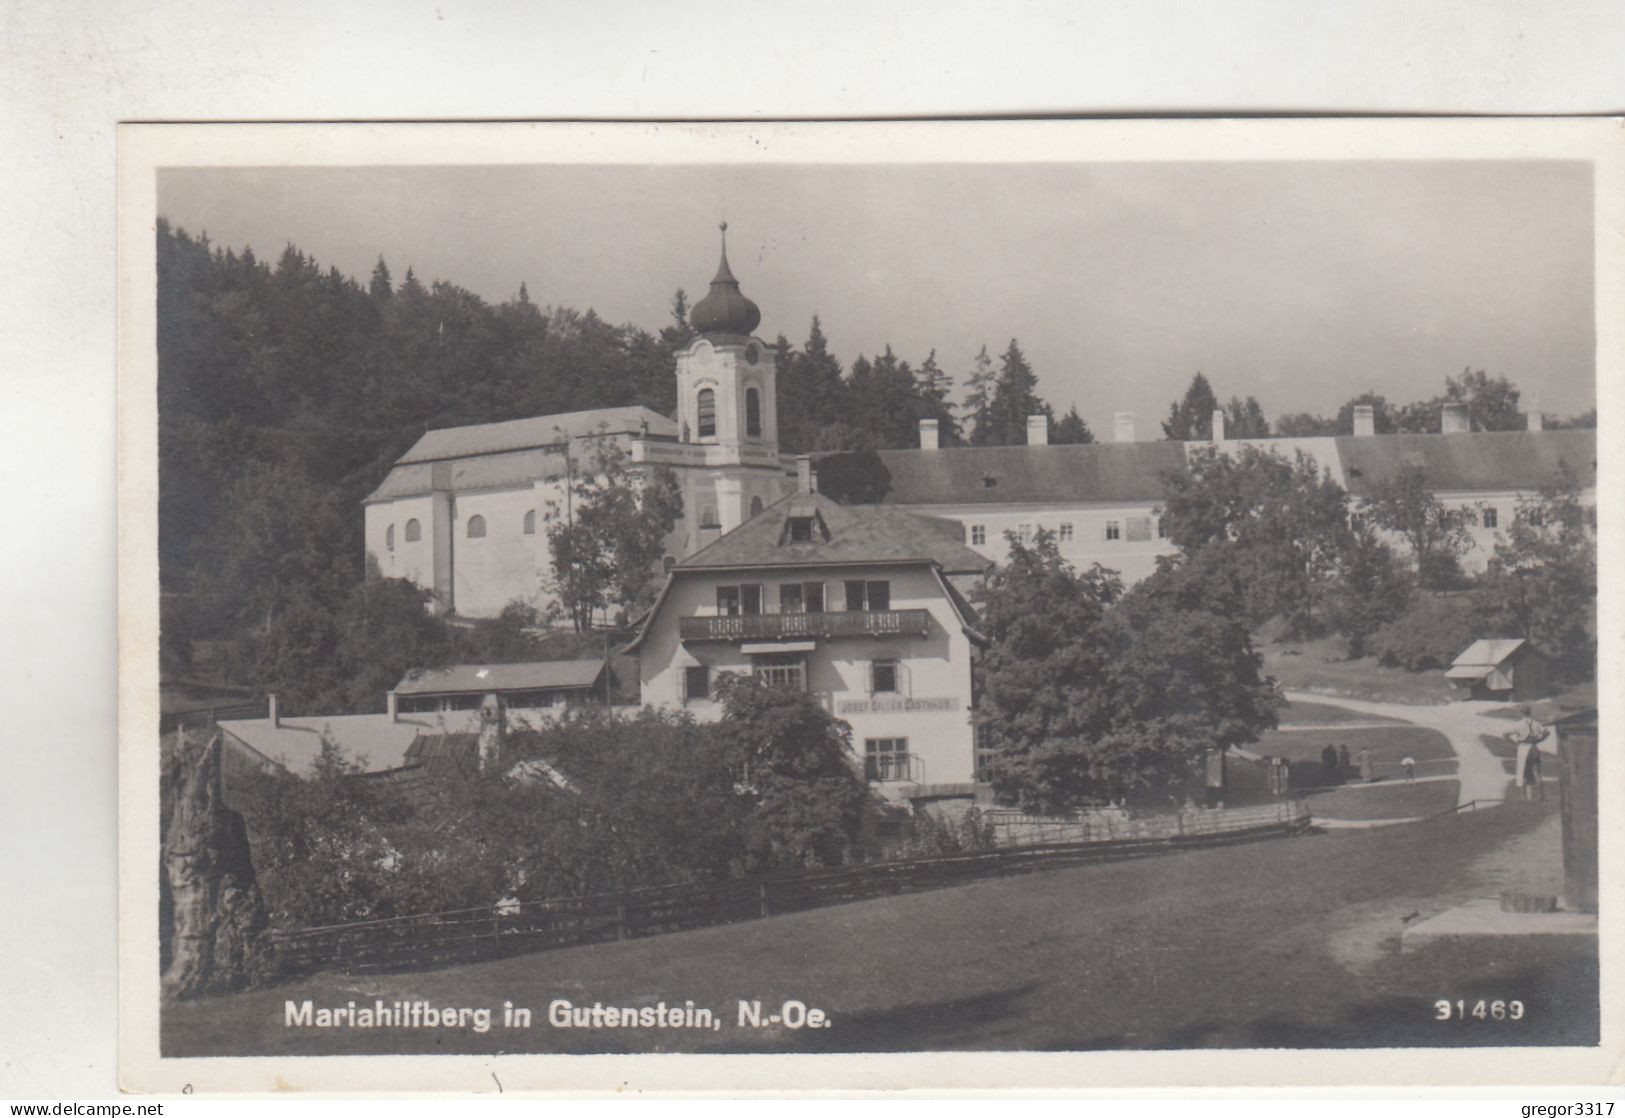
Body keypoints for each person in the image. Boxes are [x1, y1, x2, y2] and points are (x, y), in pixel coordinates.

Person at [1505, 705, 1550, 802]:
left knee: (1523, 773)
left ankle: (1524, 797)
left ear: (1522, 713)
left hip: (1524, 748)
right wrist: (1539, 740)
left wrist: (1514, 742)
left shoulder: (1518, 724)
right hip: (1534, 747)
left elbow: (1505, 734)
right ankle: (1540, 796)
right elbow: (1547, 732)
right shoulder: (1537, 724)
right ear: (1530, 713)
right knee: (1537, 773)